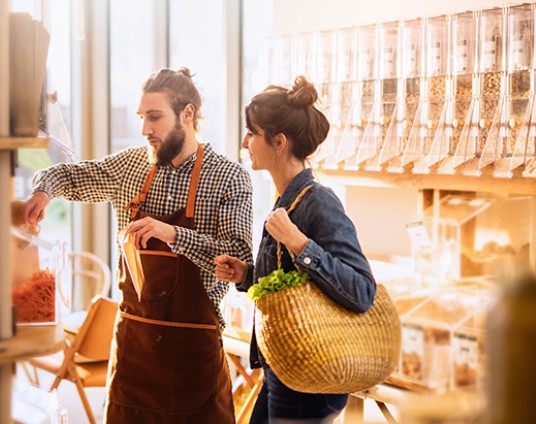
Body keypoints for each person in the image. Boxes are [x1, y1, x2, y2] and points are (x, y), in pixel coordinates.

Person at [22, 67, 253, 423]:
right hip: (135, 353)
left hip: (194, 359)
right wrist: (43, 189)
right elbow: (67, 174)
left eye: (155, 117)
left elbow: (238, 258)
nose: (145, 129)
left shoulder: (227, 176)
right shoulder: (131, 166)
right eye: (143, 118)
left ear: (187, 114)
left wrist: (174, 234)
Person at [214, 76, 377, 423]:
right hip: (286, 370)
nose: (245, 142)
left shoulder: (318, 201)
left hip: (310, 382)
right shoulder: (286, 200)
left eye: (252, 132)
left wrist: (298, 242)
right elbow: (296, 284)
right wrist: (247, 274)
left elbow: (362, 290)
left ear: (279, 142)